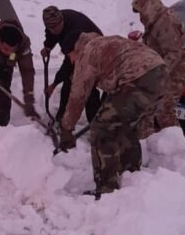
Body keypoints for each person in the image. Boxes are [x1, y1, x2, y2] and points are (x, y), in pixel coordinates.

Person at [59, 30, 166, 199]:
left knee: (101, 129)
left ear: (75, 49)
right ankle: (132, 176)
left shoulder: (87, 53)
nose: (70, 61)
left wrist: (66, 128)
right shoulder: (106, 43)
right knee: (125, 126)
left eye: (69, 56)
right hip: (159, 73)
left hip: (137, 78)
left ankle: (106, 189)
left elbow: (77, 97)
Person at [130, 0, 185, 137]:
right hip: (161, 71)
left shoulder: (166, 22)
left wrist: (157, 74)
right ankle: (147, 141)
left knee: (164, 111)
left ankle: (174, 145)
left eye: (141, 11)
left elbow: (174, 53)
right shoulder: (155, 21)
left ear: (149, 7)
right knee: (147, 108)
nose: (140, 17)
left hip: (174, 73)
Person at [41, 5, 103, 123]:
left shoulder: (76, 29)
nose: (53, 31)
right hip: (75, 50)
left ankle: (96, 124)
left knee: (87, 86)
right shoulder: (53, 23)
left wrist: (54, 84)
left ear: (62, 21)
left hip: (95, 50)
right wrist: (48, 46)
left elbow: (68, 64)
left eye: (55, 28)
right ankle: (61, 118)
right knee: (68, 83)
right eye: (50, 28)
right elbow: (51, 34)